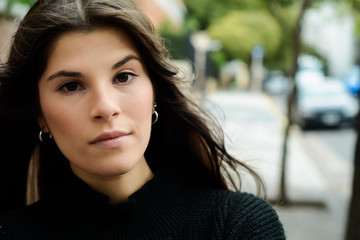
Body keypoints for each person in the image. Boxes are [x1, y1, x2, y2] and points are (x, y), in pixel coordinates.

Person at [0, 0, 285, 239]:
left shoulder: (237, 227)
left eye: (123, 76)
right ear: (40, 115)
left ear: (154, 93)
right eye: (71, 86)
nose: (105, 107)